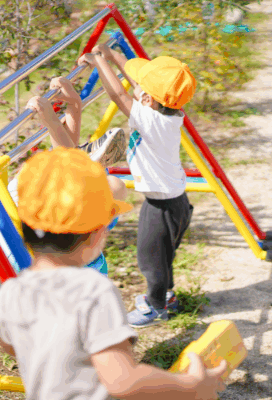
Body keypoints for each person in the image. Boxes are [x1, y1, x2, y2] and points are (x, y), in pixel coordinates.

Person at [0, 147, 227, 400]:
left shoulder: (11, 290)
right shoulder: (92, 289)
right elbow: (122, 381)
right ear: (97, 232)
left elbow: (11, 346)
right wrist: (191, 385)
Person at [78, 45, 195, 328]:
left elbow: (119, 94)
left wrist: (98, 61)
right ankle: (166, 296)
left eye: (142, 90)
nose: (137, 89)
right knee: (163, 255)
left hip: (161, 207)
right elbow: (135, 82)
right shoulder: (169, 113)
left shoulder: (151, 120)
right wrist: (112, 55)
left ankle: (155, 307)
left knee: (150, 258)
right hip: (176, 203)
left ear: (147, 100)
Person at [0, 77, 127, 295]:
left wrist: (56, 119)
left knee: (86, 183)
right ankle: (82, 162)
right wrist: (73, 108)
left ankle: (83, 163)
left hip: (14, 251)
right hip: (13, 254)